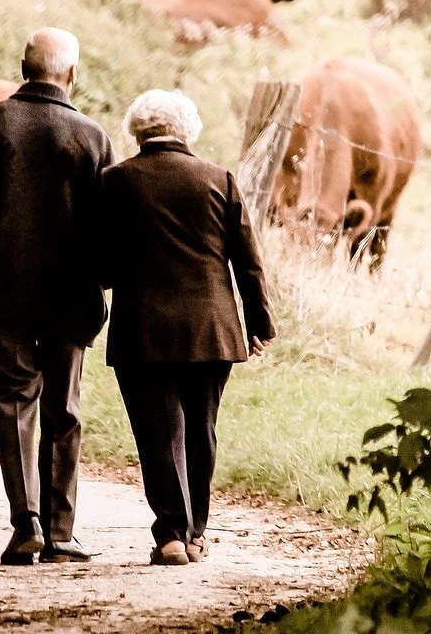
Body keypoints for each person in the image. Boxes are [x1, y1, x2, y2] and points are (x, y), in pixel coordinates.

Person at [0, 27, 114, 566]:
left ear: (22, 67)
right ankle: (62, 533)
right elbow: (105, 229)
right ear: (72, 74)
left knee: (13, 404)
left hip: (2, 295)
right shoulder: (91, 137)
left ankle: (26, 524)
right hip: (71, 298)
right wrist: (103, 287)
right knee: (64, 408)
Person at [98, 89, 274, 567]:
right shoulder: (219, 179)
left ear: (137, 130)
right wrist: (258, 322)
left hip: (142, 329)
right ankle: (195, 532)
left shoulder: (114, 182)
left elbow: (101, 263)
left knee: (159, 432)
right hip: (213, 328)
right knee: (201, 428)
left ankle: (171, 535)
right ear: (188, 129)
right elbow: (248, 262)